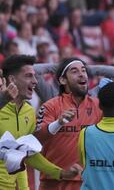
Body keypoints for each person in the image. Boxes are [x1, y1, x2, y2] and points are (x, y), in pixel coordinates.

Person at [34, 57, 114, 190]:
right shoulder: (49, 106)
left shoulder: (99, 105)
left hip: (90, 182)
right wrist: (57, 124)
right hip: (54, 182)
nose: (82, 74)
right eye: (74, 71)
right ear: (63, 80)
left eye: (84, 70)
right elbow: (37, 138)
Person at [0, 55, 81, 189]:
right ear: (12, 79)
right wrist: (3, 100)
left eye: (34, 76)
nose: (35, 81)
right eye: (28, 76)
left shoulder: (29, 111)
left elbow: (28, 153)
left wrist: (61, 173)